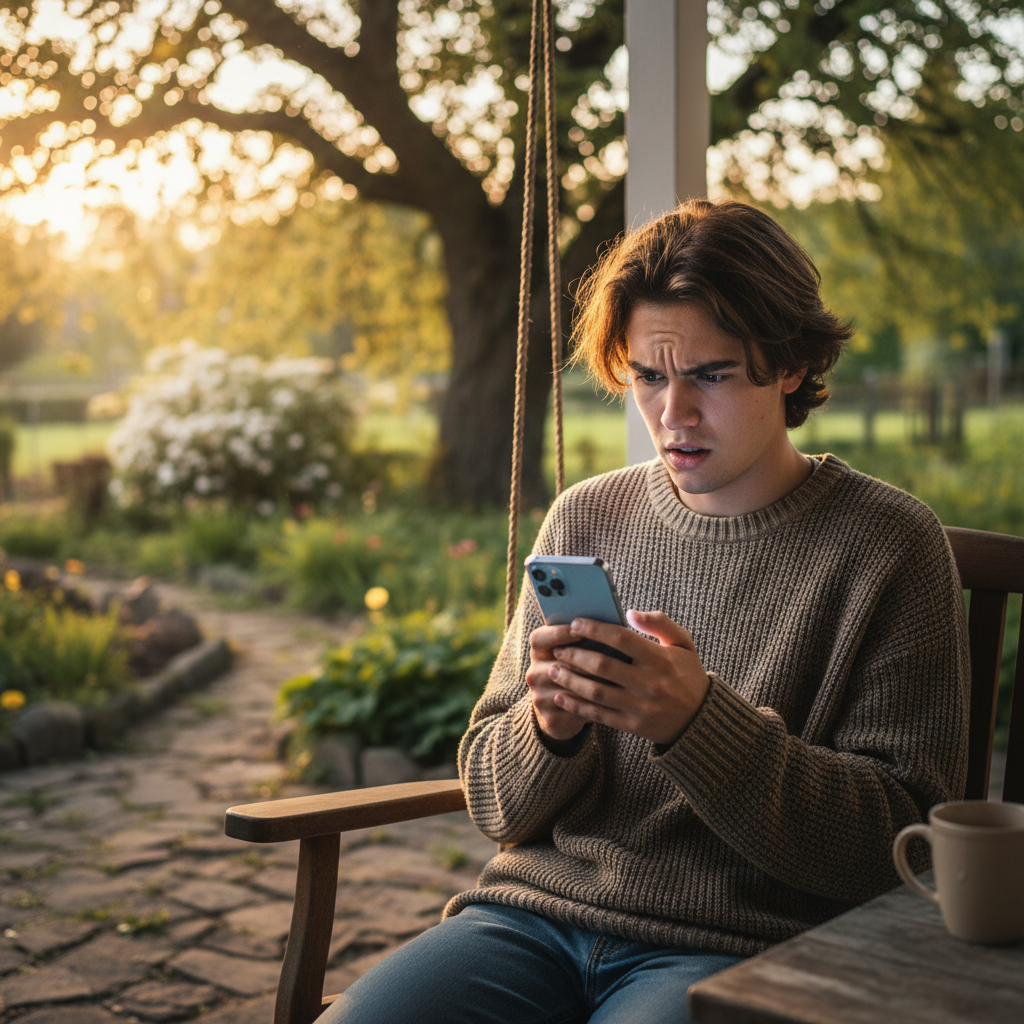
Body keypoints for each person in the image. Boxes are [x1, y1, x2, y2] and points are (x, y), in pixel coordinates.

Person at [326, 199, 969, 1023]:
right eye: (650, 378)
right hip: (531, 923)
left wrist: (697, 724)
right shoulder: (586, 518)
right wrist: (550, 729)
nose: (674, 414)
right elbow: (493, 804)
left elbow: (900, 844)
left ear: (791, 365)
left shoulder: (889, 544)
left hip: (739, 947)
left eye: (711, 375)